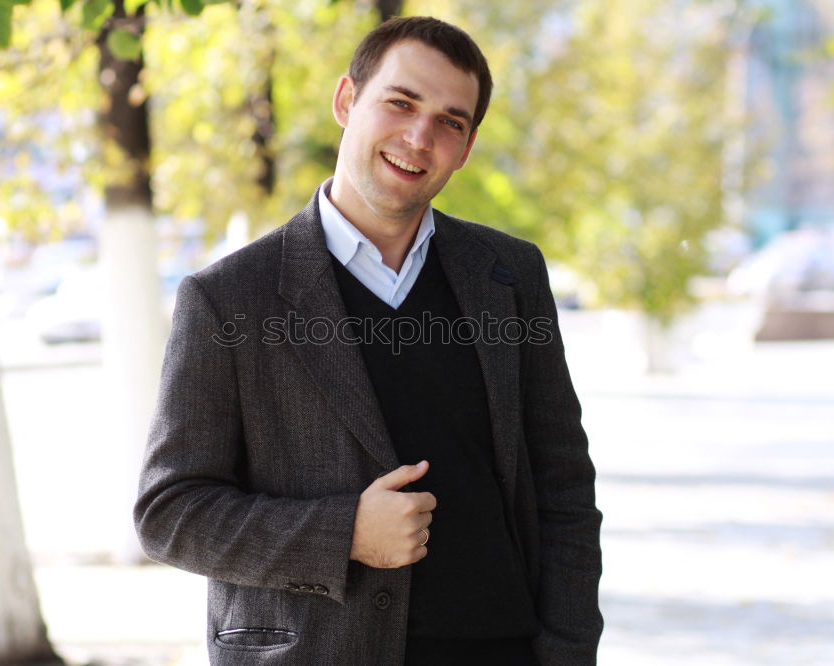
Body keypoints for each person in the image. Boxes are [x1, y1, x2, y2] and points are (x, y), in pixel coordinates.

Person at [134, 16, 602, 666]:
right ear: (346, 101)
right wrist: (342, 534)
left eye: (450, 121)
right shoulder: (227, 299)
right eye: (401, 103)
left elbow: (565, 491)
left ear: (465, 149)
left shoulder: (510, 276)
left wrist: (569, 653)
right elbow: (170, 513)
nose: (420, 136)